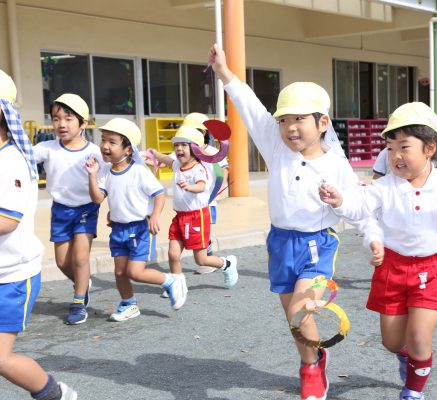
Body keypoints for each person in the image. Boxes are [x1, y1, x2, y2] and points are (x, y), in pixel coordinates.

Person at [319, 102, 437, 400]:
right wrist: (339, 199)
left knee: (419, 338)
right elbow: (359, 206)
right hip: (391, 268)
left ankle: (413, 391)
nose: (395, 156)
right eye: (390, 149)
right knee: (392, 342)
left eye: (404, 147)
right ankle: (407, 357)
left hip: (431, 269)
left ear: (429, 148)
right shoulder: (385, 186)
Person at [209, 43, 359, 400]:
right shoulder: (275, 146)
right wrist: (226, 75)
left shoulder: (336, 163)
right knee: (293, 319)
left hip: (316, 244)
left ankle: (310, 371)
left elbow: (357, 205)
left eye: (299, 119)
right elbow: (251, 108)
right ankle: (313, 359)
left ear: (322, 123)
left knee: (299, 310)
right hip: (279, 243)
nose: (290, 128)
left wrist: (342, 203)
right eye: (284, 120)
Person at [0, 69, 77, 399]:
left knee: (1, 358)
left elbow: (7, 220)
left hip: (12, 275)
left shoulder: (11, 161)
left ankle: (55, 394)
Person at [85, 118, 187, 321]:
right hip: (118, 229)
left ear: (128, 149)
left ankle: (170, 280)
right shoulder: (105, 171)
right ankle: (129, 304)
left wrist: (155, 216)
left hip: (138, 229)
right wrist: (92, 175)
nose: (105, 145)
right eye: (103, 139)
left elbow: (158, 194)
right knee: (120, 273)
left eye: (112, 142)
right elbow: (97, 198)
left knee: (135, 271)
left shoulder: (139, 172)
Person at [33, 93, 100, 325]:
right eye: (56, 118)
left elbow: (115, 173)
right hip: (60, 209)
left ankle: (78, 301)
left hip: (86, 209)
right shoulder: (47, 148)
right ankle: (83, 283)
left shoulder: (95, 151)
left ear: (83, 123)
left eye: (69, 118)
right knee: (63, 262)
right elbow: (22, 155)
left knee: (81, 257)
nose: (61, 124)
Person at [145, 124, 238, 290]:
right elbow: (167, 160)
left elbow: (201, 186)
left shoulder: (198, 169)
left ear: (195, 149)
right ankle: (176, 285)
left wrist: (189, 187)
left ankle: (227, 263)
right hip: (180, 217)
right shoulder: (176, 165)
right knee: (173, 254)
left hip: (198, 217)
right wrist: (154, 153)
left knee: (201, 260)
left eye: (184, 145)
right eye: (176, 145)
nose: (179, 149)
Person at [181, 112, 230, 274]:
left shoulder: (210, 150)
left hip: (207, 200)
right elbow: (170, 160)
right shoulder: (185, 150)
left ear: (203, 133)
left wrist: (216, 193)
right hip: (188, 201)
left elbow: (223, 171)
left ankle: (209, 260)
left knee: (203, 229)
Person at [372, 138, 437, 180]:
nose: (396, 155)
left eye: (404, 146)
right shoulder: (386, 187)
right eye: (390, 148)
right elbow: (376, 180)